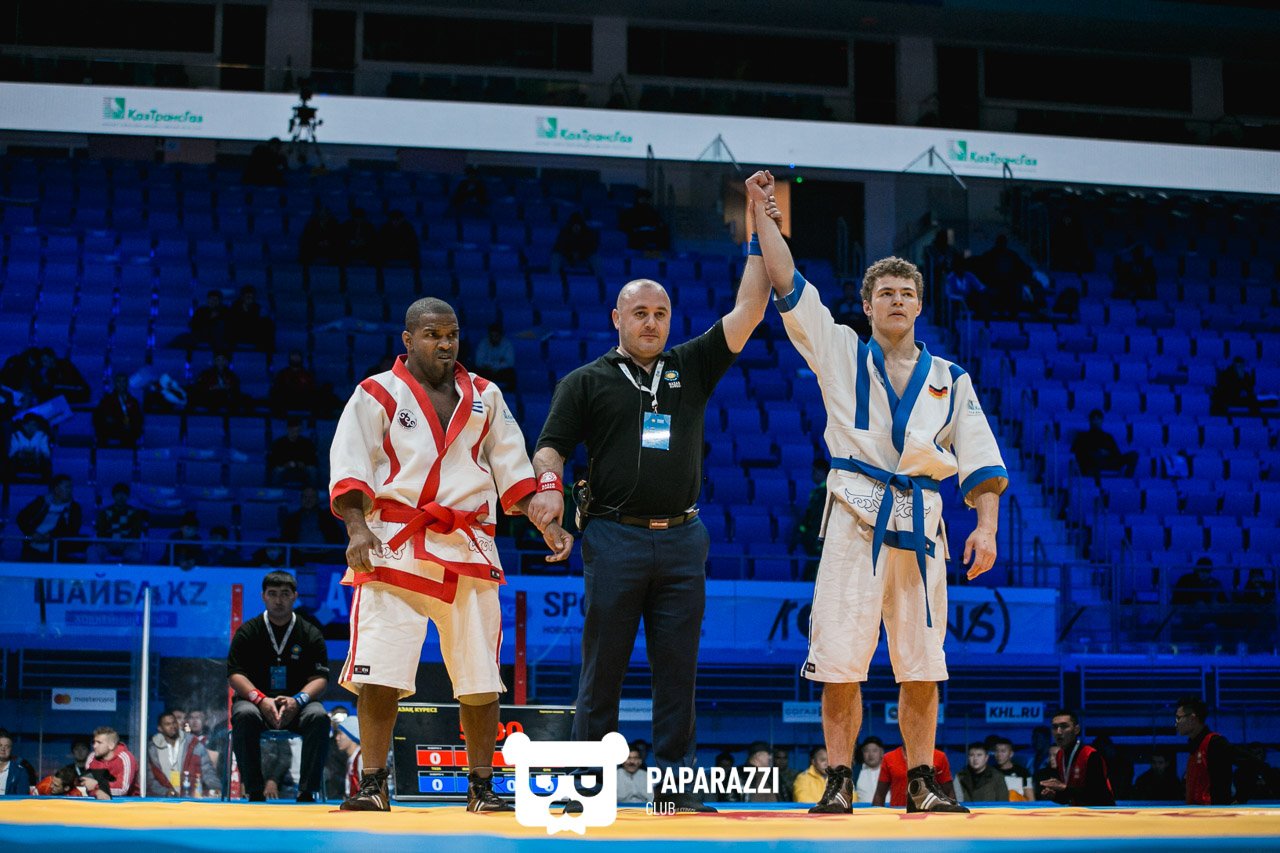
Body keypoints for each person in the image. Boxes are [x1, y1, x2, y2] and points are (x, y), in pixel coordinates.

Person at [753, 179, 1007, 815]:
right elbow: (786, 282)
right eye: (886, 293)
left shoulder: (951, 378)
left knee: (923, 662)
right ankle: (839, 779)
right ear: (867, 305)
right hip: (855, 519)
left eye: (907, 293)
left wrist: (987, 528)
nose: (897, 300)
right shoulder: (839, 350)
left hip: (922, 524)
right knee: (840, 659)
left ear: (920, 305)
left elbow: (980, 458)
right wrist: (763, 216)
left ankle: (920, 780)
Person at [528, 172, 779, 814]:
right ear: (617, 318)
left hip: (684, 538)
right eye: (639, 313)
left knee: (677, 674)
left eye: (660, 313)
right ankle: (585, 791)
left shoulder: (691, 365)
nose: (650, 322)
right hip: (613, 535)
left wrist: (758, 225)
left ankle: (674, 792)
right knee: (601, 673)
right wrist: (549, 492)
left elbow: (751, 309)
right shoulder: (585, 382)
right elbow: (549, 449)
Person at [328, 297, 573, 813]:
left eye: (452, 335)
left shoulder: (486, 395)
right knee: (380, 672)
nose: (445, 344)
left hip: (467, 546)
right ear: (408, 339)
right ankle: (373, 784)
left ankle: (482, 787)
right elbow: (350, 465)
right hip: (393, 544)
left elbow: (512, 469)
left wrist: (545, 522)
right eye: (433, 334)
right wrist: (356, 529)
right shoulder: (376, 392)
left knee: (481, 676)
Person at [226, 571, 331, 802]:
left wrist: (298, 700)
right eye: (272, 594)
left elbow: (321, 678)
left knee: (319, 716)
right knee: (243, 714)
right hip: (256, 703)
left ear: (295, 596)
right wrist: (261, 700)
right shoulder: (248, 632)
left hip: (299, 705)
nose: (278, 600)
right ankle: (254, 790)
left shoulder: (310, 633)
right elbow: (235, 675)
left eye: (285, 594)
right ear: (263, 596)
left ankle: (307, 791)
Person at [1039, 709, 1115, 806]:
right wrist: (1054, 796)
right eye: (1054, 727)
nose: (1058, 732)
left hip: (1102, 812)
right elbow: (1070, 797)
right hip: (1078, 812)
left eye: (1064, 726)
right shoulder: (1060, 755)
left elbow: (1098, 795)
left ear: (1076, 730)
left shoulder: (1090, 755)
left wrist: (1064, 788)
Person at [1174, 696, 1233, 804]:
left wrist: (1240, 798)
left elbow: (1253, 763)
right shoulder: (1194, 745)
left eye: (1178, 718)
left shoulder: (1216, 743)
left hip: (1213, 812)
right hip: (1195, 812)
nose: (1176, 723)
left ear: (1192, 718)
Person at [17, 474, 82, 562]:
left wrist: (50, 535)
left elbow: (73, 529)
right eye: (67, 487)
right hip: (32, 547)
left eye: (71, 487)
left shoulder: (75, 508)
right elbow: (21, 518)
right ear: (56, 489)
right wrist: (32, 533)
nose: (70, 490)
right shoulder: (41, 502)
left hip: (57, 549)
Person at [874, 746, 955, 808]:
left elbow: (949, 792)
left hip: (931, 814)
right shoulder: (889, 758)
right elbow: (880, 794)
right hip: (898, 814)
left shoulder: (939, 757)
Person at [1071, 409, 1138, 480]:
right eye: (1094, 419)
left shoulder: (1108, 437)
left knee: (1133, 455)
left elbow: (1117, 454)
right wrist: (1095, 452)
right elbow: (1075, 452)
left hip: (1109, 462)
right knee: (1094, 458)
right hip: (1092, 463)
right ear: (1090, 421)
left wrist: (1107, 453)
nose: (1096, 422)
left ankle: (1127, 480)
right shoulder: (1082, 437)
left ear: (1102, 421)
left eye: (1098, 419)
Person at [94, 483, 148, 562]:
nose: (121, 497)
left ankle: (128, 570)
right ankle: (97, 570)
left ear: (128, 496)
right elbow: (100, 532)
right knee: (93, 551)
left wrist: (125, 543)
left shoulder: (135, 513)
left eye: (124, 494)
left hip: (128, 545)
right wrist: (109, 542)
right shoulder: (104, 512)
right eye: (118, 494)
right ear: (113, 495)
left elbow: (136, 533)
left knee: (135, 555)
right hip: (107, 544)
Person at [93, 373, 144, 447]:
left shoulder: (133, 401)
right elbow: (98, 417)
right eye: (119, 381)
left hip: (129, 433)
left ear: (127, 383)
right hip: (111, 430)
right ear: (115, 384)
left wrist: (131, 424)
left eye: (123, 381)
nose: (121, 384)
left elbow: (138, 418)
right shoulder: (106, 400)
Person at [87, 726, 140, 797]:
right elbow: (88, 786)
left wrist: (96, 785)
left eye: (99, 743)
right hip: (98, 801)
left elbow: (122, 789)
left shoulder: (126, 758)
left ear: (111, 745)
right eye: (94, 742)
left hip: (128, 802)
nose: (94, 746)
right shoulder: (92, 758)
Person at [228, 285, 275, 352]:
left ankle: (266, 349)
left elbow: (256, 323)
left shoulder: (257, 307)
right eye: (247, 297)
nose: (249, 299)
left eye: (251, 297)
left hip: (251, 331)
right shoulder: (235, 306)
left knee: (267, 322)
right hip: (238, 332)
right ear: (242, 297)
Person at [7, 412, 52, 481]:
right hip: (20, 461)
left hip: (36, 461)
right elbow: (11, 453)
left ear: (37, 426)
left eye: (34, 425)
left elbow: (46, 452)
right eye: (28, 424)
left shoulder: (42, 435)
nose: (31, 427)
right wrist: (20, 453)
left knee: (46, 462)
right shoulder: (16, 435)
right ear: (23, 425)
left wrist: (38, 454)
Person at [473, 324, 516, 389]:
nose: (494, 338)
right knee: (476, 372)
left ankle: (508, 393)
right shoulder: (483, 344)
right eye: (492, 336)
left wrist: (496, 367)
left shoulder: (507, 345)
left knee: (511, 374)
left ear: (501, 336)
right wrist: (491, 366)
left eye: (496, 336)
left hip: (501, 371)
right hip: (486, 371)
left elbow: (510, 362)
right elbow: (478, 362)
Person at [990, 736, 1035, 800]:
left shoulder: (1023, 772)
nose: (999, 754)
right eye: (996, 751)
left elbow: (1031, 799)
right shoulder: (990, 772)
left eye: (1003, 751)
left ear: (1011, 754)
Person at [334, 716, 363, 800]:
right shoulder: (351, 759)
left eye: (340, 734)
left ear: (352, 735)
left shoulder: (361, 759)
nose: (337, 738)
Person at [853, 736, 885, 804]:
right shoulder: (855, 772)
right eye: (866, 751)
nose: (871, 754)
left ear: (882, 752)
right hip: (863, 810)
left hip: (888, 810)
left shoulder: (890, 770)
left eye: (874, 751)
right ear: (862, 753)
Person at [0, 730, 33, 795]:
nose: (3, 749)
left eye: (7, 746)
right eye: (0, 745)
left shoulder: (20, 772)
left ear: (11, 749)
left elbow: (22, 798)